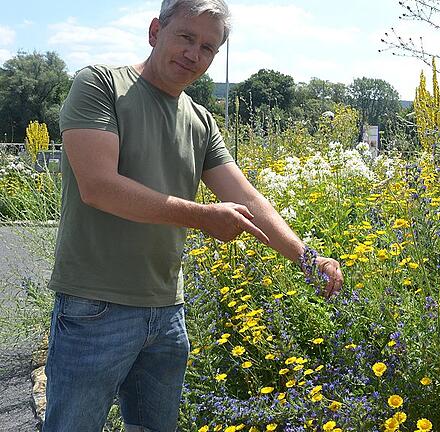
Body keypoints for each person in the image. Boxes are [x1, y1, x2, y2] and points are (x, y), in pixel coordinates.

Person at [42, 0, 343, 430]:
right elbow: (98, 187)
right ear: (154, 31)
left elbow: (247, 198)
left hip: (167, 311)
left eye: (208, 48)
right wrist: (203, 216)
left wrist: (306, 258)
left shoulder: (200, 120)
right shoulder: (101, 85)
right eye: (185, 37)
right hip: (95, 307)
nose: (194, 54)